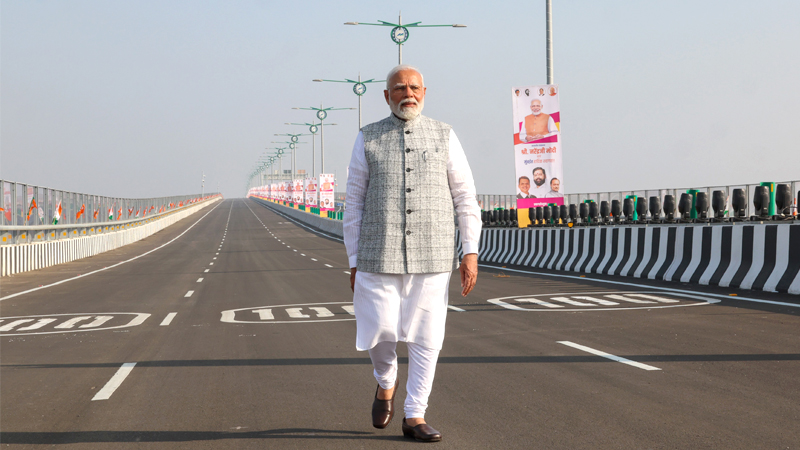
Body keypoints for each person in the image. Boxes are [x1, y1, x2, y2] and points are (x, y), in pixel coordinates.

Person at [344, 64, 481, 443]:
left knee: (426, 336)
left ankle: (415, 414)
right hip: (377, 252)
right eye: (400, 87)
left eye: (415, 87)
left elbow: (465, 196)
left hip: (434, 253)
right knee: (379, 330)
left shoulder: (444, 135)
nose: (409, 93)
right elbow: (353, 201)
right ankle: (386, 381)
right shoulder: (367, 138)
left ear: (425, 91)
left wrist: (469, 250)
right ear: (387, 96)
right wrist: (353, 259)